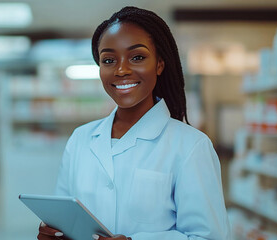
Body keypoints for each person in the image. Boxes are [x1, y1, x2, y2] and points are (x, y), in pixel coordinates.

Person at [38, 6, 230, 240]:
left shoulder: (191, 146)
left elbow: (208, 237)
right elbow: (65, 218)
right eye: (108, 60)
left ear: (159, 64)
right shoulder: (80, 139)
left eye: (137, 57)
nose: (121, 70)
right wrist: (56, 234)